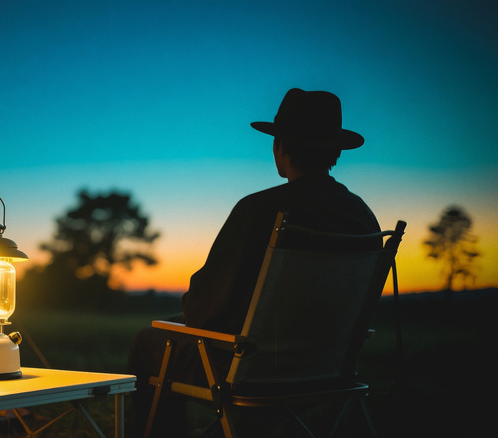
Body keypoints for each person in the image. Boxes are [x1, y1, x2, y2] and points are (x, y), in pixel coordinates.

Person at [127, 88, 380, 437]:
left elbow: (203, 308)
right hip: (327, 367)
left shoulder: (259, 210)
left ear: (281, 147)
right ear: (336, 150)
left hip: (250, 369)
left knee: (150, 339)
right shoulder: (362, 218)